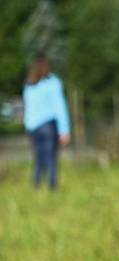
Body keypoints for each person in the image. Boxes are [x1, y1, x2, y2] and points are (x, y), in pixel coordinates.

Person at [23, 54, 70, 190]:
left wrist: (29, 128)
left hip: (34, 127)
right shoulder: (53, 82)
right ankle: (52, 187)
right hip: (48, 126)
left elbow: (28, 109)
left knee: (38, 158)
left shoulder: (29, 85)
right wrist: (64, 130)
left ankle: (36, 186)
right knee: (51, 158)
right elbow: (59, 107)